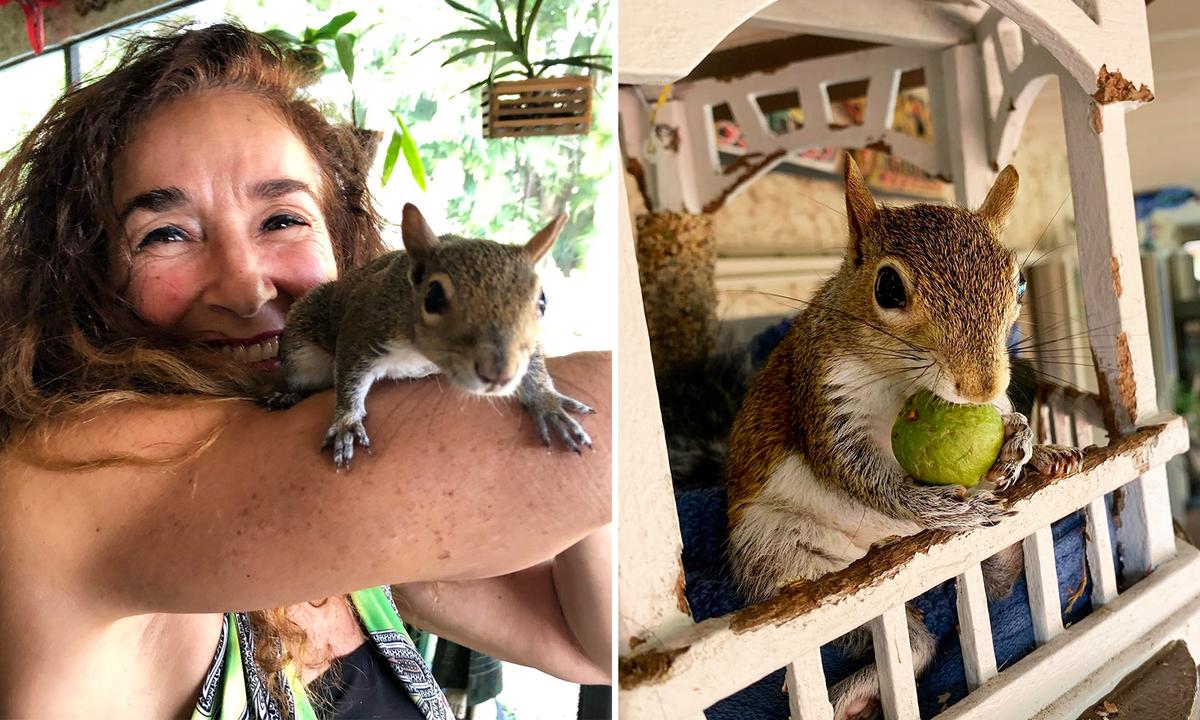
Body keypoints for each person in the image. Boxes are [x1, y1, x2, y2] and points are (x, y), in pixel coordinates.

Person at [0, 22, 612, 719]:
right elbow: (614, 431)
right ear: (86, 281)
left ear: (341, 242)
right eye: (165, 234)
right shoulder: (72, 475)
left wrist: (496, 326)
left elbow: (590, 644)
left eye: (282, 220)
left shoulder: (339, 516)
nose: (245, 288)